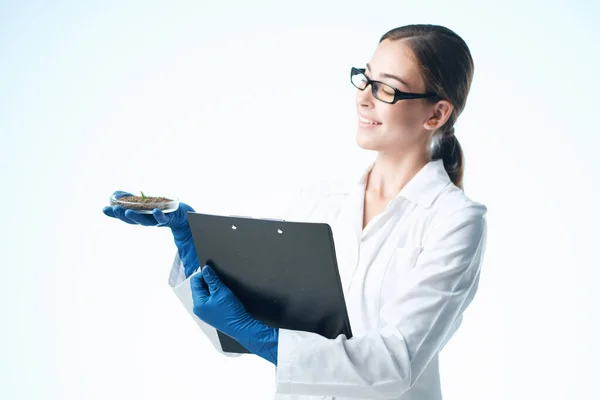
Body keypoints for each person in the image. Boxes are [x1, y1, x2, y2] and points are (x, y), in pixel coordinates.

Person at [103, 23, 488, 400]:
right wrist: (194, 246)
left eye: (387, 88)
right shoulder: (320, 202)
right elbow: (237, 336)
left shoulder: (455, 221)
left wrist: (261, 335)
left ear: (436, 115)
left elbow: (396, 363)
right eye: (365, 79)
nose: (364, 98)